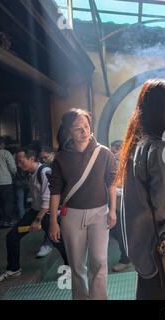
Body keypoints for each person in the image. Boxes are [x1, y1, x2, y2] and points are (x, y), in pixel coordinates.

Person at [116, 79, 165, 300]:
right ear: (163, 111)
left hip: (141, 244)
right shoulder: (159, 147)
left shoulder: (136, 144)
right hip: (160, 248)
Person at [48, 108, 117, 300]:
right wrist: (53, 221)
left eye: (86, 126)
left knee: (99, 261)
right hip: (71, 215)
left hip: (100, 213)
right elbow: (55, 191)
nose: (84, 131)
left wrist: (113, 210)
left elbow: (111, 183)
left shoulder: (104, 153)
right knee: (77, 265)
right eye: (78, 128)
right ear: (69, 131)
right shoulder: (61, 158)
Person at [0, 147, 68, 283]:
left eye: (21, 161)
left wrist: (38, 220)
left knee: (58, 242)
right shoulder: (30, 173)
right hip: (35, 211)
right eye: (17, 162)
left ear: (31, 159)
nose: (19, 165)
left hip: (47, 213)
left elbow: (47, 199)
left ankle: (71, 269)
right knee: (11, 236)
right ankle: (13, 269)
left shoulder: (44, 172)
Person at [109, 140, 132, 273]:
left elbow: (126, 185)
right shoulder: (117, 161)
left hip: (124, 203)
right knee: (117, 231)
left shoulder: (125, 161)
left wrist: (114, 190)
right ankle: (128, 254)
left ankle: (126, 259)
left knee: (121, 231)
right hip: (116, 204)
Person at [0, 137, 17, 228]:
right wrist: (13, 176)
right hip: (5, 182)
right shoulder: (5, 153)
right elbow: (13, 169)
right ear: (1, 143)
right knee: (7, 203)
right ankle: (6, 221)